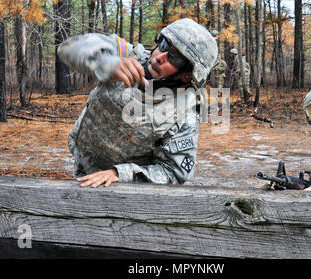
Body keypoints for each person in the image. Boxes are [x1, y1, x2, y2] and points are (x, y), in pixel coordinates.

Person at [57, 18, 218, 188]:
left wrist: (119, 173)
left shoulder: (183, 111)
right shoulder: (125, 54)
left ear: (187, 75)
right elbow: (67, 48)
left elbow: (173, 172)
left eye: (175, 58)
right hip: (83, 164)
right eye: (164, 45)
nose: (160, 58)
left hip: (128, 189)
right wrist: (108, 63)